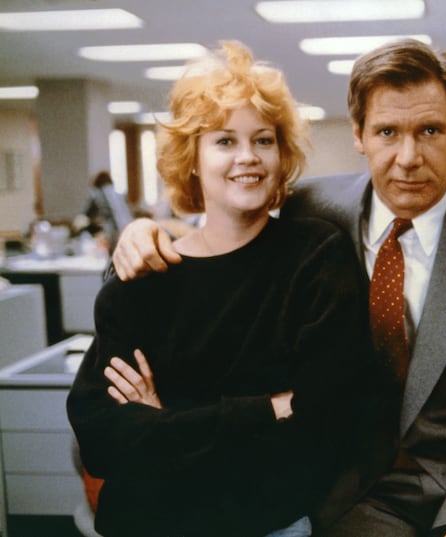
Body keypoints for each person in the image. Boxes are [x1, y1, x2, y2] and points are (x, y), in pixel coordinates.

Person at [110, 38, 446, 537]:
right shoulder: (309, 208)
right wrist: (141, 235)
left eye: (430, 130)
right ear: (359, 134)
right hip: (343, 489)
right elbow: (223, 241)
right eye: (387, 132)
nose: (409, 157)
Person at [67, 41, 391, 537]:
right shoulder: (143, 279)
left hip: (265, 524)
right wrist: (270, 408)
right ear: (193, 158)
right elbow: (101, 441)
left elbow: (329, 423)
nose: (248, 157)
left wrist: (165, 422)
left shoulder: (315, 257)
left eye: (263, 140)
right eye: (224, 141)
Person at [77, 170, 133, 247]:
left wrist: (80, 222)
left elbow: (86, 213)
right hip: (128, 226)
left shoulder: (97, 193)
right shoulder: (117, 192)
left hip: (113, 229)